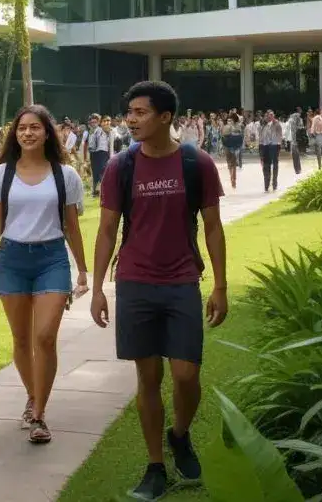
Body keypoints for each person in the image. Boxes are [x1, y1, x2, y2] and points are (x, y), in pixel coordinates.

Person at [91, 81, 227, 501]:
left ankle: (180, 434)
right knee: (147, 377)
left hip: (182, 281)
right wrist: (97, 288)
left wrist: (220, 285)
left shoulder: (196, 162)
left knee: (187, 375)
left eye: (140, 112)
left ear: (165, 117)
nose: (130, 119)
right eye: (128, 112)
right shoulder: (120, 166)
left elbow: (213, 226)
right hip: (134, 282)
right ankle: (155, 468)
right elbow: (108, 228)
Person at [0, 104, 88, 445]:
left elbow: (71, 226)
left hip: (52, 258)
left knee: (44, 337)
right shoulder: (2, 175)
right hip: (11, 260)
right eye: (22, 127)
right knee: (22, 339)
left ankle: (39, 414)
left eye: (35, 127)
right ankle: (32, 396)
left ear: (46, 132)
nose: (27, 133)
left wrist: (83, 270)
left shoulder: (64, 175)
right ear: (15, 133)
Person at [259, 109, 283, 192]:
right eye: (268, 115)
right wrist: (261, 149)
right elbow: (261, 137)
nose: (270, 116)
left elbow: (280, 136)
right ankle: (266, 185)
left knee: (275, 165)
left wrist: (279, 146)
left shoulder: (277, 124)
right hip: (265, 147)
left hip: (274, 146)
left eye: (271, 115)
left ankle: (274, 184)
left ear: (273, 116)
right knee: (266, 166)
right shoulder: (263, 125)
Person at [220, 113, 243, 190]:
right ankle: (232, 177)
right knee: (230, 164)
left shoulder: (237, 126)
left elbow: (239, 136)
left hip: (234, 147)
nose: (230, 121)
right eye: (229, 120)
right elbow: (223, 137)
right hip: (228, 146)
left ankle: (233, 179)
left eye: (231, 119)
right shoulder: (226, 127)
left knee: (233, 163)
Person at [287, 106, 305, 175]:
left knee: (295, 155)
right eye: (300, 110)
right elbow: (299, 127)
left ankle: (297, 169)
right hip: (296, 139)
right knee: (296, 154)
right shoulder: (297, 117)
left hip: (294, 139)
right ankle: (298, 169)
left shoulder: (291, 118)